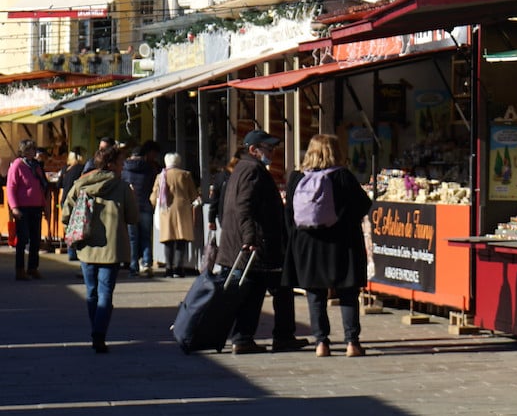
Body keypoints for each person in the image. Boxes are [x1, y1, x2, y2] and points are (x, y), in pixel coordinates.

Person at [286, 134, 373, 358]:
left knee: (315, 293)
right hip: (342, 243)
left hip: (307, 244)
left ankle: (321, 342)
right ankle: (352, 343)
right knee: (347, 292)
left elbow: (288, 214)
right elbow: (364, 204)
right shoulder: (342, 176)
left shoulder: (296, 178)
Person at [219, 131, 303, 354]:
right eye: (268, 148)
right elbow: (243, 206)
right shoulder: (252, 170)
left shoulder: (243, 169)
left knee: (257, 291)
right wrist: (249, 237)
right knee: (278, 288)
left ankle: (245, 338)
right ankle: (275, 336)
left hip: (254, 245)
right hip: (258, 245)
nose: (272, 153)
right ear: (253, 150)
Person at [64, 143, 141, 354]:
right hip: (111, 247)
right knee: (105, 293)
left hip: (86, 245)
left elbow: (65, 213)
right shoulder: (122, 187)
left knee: (91, 292)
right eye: (121, 162)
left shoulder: (81, 184)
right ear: (111, 164)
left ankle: (96, 330)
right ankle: (99, 334)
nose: (123, 166)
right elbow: (133, 218)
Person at [154, 153, 200, 277]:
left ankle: (168, 268)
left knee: (168, 240)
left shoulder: (161, 176)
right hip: (182, 210)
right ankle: (179, 268)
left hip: (166, 211)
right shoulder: (185, 175)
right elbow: (193, 195)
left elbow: (154, 197)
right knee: (181, 240)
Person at [7, 140, 48, 281]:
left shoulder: (36, 166)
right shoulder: (17, 165)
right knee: (23, 239)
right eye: (28, 149)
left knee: (36, 239)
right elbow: (11, 188)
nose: (31, 152)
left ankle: (32, 268)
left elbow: (40, 188)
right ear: (22, 150)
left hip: (36, 207)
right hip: (23, 208)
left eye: (33, 149)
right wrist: (14, 208)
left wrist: (45, 206)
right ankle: (20, 270)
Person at [121, 140, 163, 277]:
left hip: (130, 207)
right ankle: (146, 264)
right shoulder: (150, 169)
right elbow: (154, 187)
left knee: (133, 239)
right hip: (146, 206)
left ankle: (133, 266)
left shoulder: (124, 169)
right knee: (146, 237)